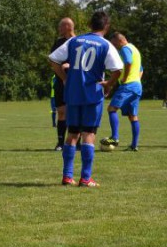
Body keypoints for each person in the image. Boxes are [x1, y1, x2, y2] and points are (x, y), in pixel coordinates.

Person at [49, 11, 123, 187]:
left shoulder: (74, 40)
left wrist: (65, 79)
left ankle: (67, 176)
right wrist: (108, 84)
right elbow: (118, 69)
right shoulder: (105, 44)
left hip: (73, 93)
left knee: (72, 134)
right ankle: (86, 178)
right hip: (92, 94)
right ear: (106, 27)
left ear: (90, 25)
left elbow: (53, 59)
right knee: (89, 134)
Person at [101, 32, 144, 151]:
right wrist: (136, 80)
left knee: (111, 109)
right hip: (137, 86)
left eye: (113, 43)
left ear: (119, 40)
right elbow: (141, 69)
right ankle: (134, 145)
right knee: (133, 116)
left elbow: (128, 62)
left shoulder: (125, 49)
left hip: (128, 86)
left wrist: (125, 77)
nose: (113, 46)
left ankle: (115, 137)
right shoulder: (134, 49)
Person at [50, 18, 75, 149]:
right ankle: (60, 143)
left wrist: (70, 65)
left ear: (67, 26)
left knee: (76, 112)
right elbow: (52, 62)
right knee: (61, 112)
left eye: (60, 27)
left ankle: (77, 142)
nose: (59, 29)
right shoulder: (58, 43)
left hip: (76, 82)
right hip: (60, 81)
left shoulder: (78, 42)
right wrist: (63, 76)